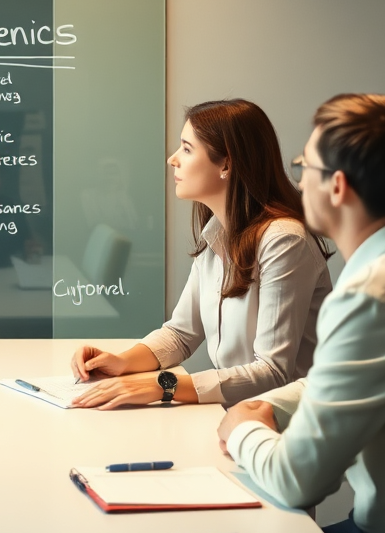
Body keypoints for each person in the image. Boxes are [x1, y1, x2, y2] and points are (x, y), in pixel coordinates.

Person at [218, 94, 385, 533]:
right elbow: (355, 374)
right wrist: (271, 405)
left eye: (304, 165)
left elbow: (297, 480)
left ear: (337, 186)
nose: (298, 179)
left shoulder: (378, 294)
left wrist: (242, 429)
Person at [70, 99, 331, 408]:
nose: (172, 160)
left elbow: (273, 371)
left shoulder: (284, 241)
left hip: (281, 428)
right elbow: (180, 334)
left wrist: (163, 385)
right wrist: (121, 362)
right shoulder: (217, 234)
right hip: (237, 417)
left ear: (226, 164)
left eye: (187, 149)